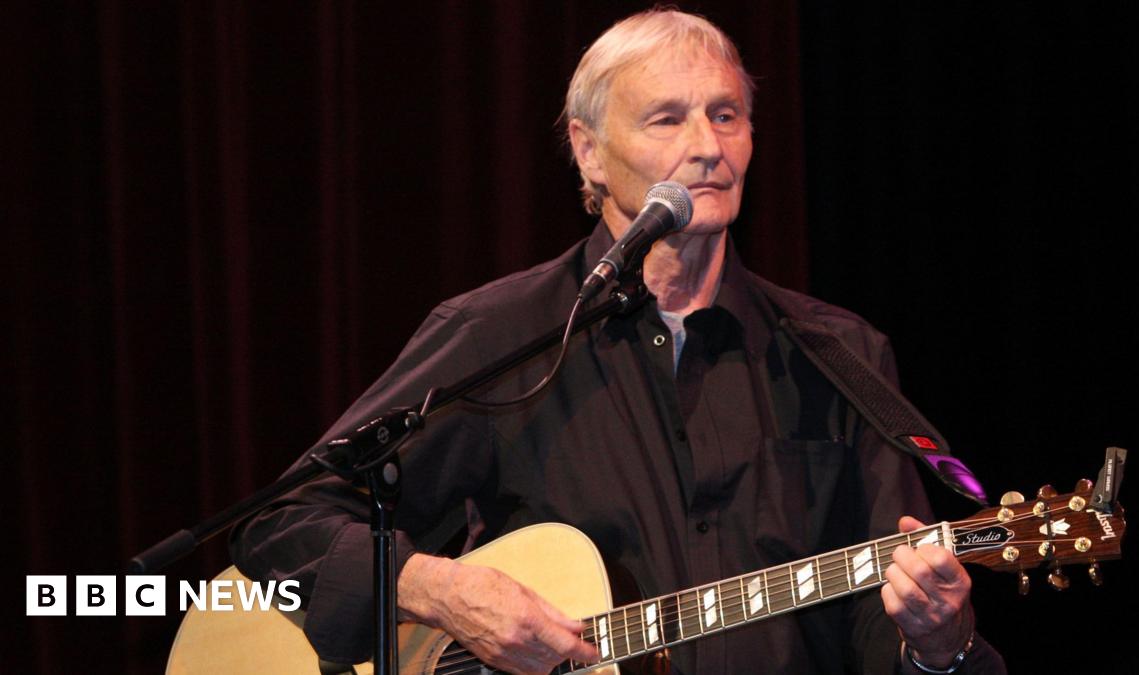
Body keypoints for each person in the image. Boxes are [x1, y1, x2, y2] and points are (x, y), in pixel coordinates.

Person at [232, 9, 1006, 674]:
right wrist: (441, 589)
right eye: (667, 119)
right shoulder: (503, 333)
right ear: (589, 151)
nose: (708, 146)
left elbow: (882, 627)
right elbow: (285, 523)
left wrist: (939, 643)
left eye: (726, 115)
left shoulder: (840, 356)